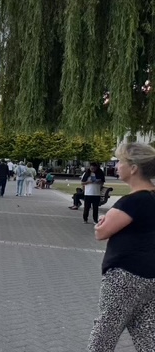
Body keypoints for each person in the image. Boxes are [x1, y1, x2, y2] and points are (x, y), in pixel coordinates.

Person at [87, 143, 155, 351]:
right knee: (147, 333)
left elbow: (101, 232)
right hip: (150, 276)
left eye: (120, 162)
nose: (116, 166)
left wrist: (103, 222)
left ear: (133, 168)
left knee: (105, 331)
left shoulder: (132, 202)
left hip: (125, 275)